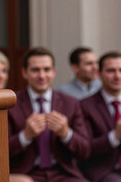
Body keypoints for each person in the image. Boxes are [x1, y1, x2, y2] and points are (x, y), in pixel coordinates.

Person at [8, 47, 90, 182]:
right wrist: (25, 136)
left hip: (63, 173)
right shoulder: (11, 104)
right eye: (35, 70)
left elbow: (85, 151)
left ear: (54, 72)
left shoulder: (71, 103)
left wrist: (66, 133)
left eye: (46, 70)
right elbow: (0, 152)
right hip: (27, 174)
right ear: (24, 72)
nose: (41, 76)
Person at [80, 51, 121, 182]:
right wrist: (115, 136)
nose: (117, 76)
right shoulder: (85, 106)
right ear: (99, 73)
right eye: (111, 71)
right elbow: (86, 149)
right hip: (104, 170)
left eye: (120, 70)